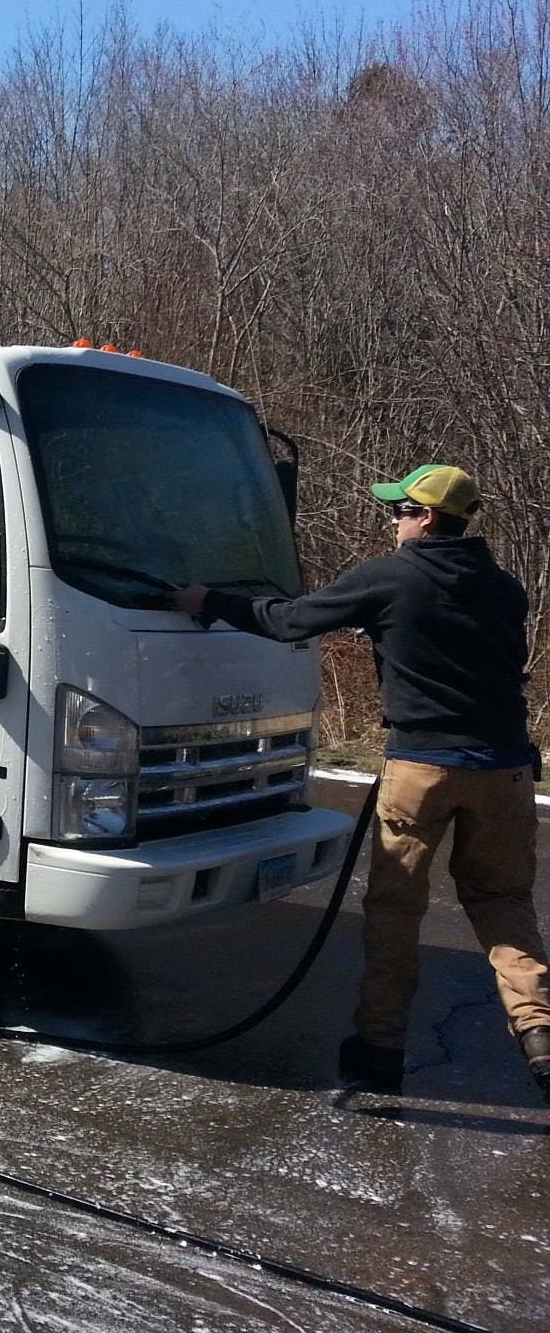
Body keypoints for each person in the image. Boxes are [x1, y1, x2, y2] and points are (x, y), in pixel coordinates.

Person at [171, 464, 548, 1101]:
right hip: (505, 767)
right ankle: (541, 1038)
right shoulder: (506, 587)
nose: (392, 519)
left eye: (400, 509)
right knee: (504, 905)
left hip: (422, 768)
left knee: (397, 911)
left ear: (427, 517)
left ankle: (379, 1051)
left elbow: (291, 621)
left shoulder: (389, 576)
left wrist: (208, 602)